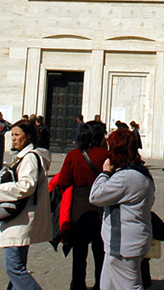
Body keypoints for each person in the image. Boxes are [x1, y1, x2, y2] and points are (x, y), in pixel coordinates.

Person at [0, 118, 53, 290]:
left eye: (17, 135)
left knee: (14, 268)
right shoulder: (23, 157)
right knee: (16, 268)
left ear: (28, 136)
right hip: (19, 217)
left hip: (20, 218)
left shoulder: (29, 158)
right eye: (11, 135)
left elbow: (27, 185)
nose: (13, 138)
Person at [89, 127, 155, 290]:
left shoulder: (125, 177)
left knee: (130, 287)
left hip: (123, 244)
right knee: (107, 286)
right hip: (128, 240)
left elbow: (95, 196)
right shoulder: (143, 173)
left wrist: (105, 173)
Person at [53, 120, 109, 290]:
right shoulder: (106, 156)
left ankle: (77, 285)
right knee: (100, 251)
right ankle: (101, 284)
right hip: (101, 207)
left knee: (79, 253)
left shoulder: (73, 155)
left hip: (79, 206)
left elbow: (63, 182)